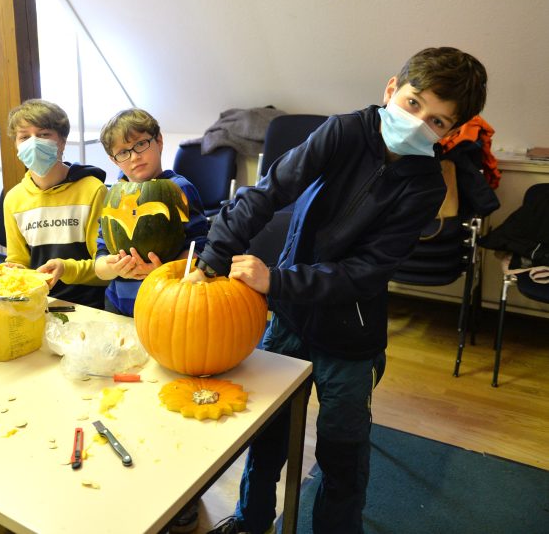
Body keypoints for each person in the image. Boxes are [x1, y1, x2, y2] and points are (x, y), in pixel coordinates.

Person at [194, 47, 488, 534]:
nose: (418, 123)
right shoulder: (345, 130)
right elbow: (270, 190)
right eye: (414, 104)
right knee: (266, 435)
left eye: (437, 122)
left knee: (341, 451)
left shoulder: (425, 187)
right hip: (288, 321)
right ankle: (251, 520)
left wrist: (276, 279)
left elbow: (366, 272)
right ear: (392, 89)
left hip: (350, 339)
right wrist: (213, 257)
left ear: (451, 132)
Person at [95, 108, 209, 316]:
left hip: (167, 304)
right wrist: (113, 268)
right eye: (123, 152)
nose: (134, 157)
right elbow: (100, 260)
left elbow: (198, 249)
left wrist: (164, 269)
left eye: (140, 144)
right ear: (114, 160)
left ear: (159, 142)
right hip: (118, 304)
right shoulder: (114, 196)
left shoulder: (179, 189)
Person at [3, 99, 109, 309]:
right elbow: (18, 262)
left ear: (62, 141)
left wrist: (66, 269)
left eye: (43, 135)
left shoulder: (92, 190)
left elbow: (105, 270)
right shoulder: (14, 199)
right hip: (38, 304)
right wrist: (10, 271)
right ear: (16, 145)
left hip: (89, 305)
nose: (33, 143)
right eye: (24, 137)